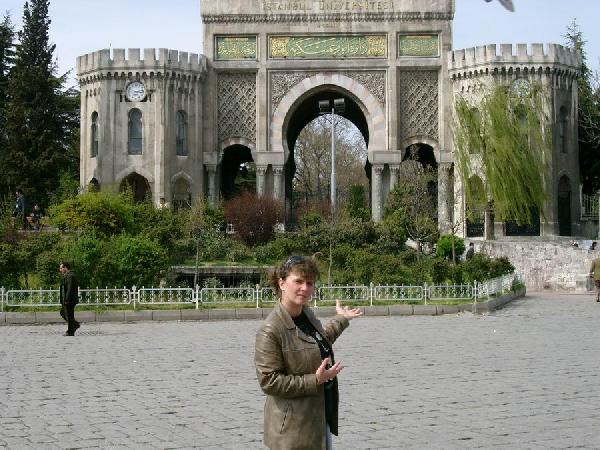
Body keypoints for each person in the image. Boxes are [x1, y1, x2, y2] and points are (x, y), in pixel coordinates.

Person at [254, 255, 362, 450]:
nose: (305, 288)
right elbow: (269, 382)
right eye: (298, 281)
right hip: (293, 431)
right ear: (282, 283)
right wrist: (315, 380)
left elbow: (319, 340)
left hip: (319, 419)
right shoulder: (271, 329)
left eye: (310, 282)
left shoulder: (306, 314)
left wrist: (342, 319)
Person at [59, 262, 80, 335]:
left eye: (61, 268)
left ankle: (70, 331)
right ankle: (75, 325)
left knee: (69, 315)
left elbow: (70, 289)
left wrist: (67, 300)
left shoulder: (71, 276)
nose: (60, 270)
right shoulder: (66, 275)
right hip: (66, 299)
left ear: (65, 268)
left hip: (70, 300)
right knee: (63, 313)